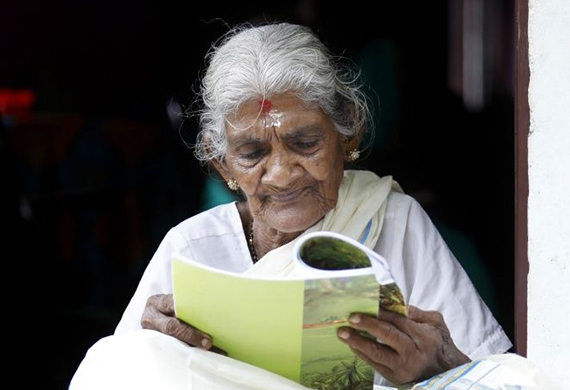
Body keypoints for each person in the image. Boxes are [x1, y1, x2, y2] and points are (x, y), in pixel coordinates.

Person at [69, 22, 512, 389]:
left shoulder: (395, 223)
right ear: (222, 164)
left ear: (349, 137)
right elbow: (117, 375)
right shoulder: (192, 247)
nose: (281, 173)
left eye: (305, 142)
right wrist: (150, 349)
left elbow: (498, 379)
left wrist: (443, 366)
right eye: (252, 153)